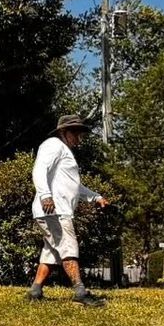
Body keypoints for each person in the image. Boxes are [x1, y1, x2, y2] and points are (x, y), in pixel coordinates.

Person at [28, 114, 109, 306]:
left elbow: (73, 185)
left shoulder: (64, 151)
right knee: (68, 247)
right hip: (54, 209)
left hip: (54, 209)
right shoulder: (53, 145)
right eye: (76, 133)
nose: (79, 138)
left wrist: (96, 197)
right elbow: (39, 169)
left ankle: (35, 291)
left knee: (52, 253)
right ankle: (80, 293)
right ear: (64, 132)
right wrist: (45, 195)